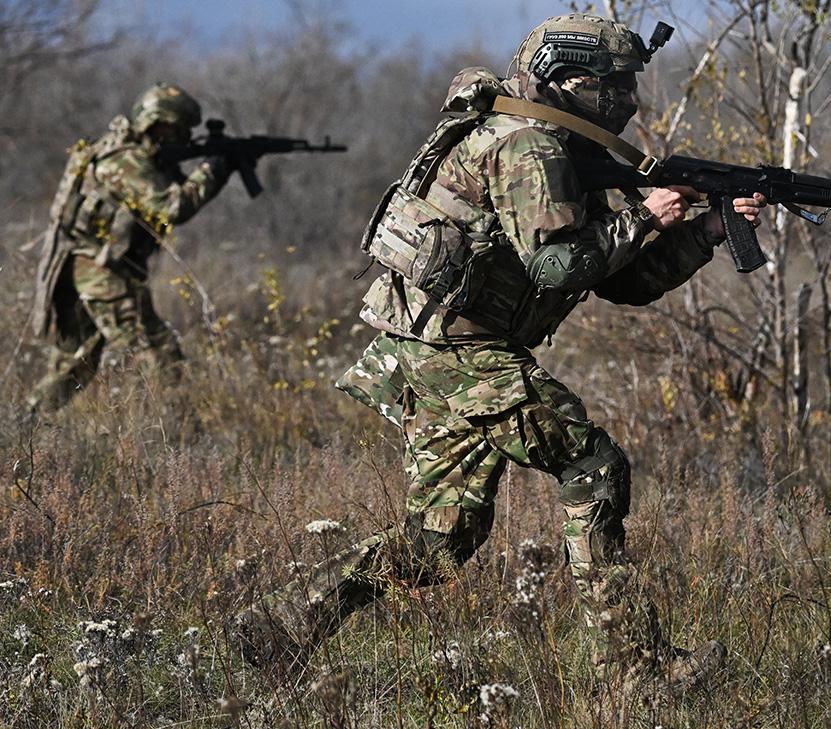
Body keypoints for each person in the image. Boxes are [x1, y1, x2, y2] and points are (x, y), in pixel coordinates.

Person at [236, 14, 767, 695]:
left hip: (435, 345)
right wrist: (645, 216)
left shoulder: (560, 145)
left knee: (438, 543)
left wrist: (708, 229)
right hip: (456, 347)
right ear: (571, 79)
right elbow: (555, 267)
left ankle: (279, 625)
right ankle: (636, 672)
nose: (629, 96)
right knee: (593, 464)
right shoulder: (529, 145)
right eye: (618, 82)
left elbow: (623, 281)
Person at [27, 83, 231, 413]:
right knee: (157, 352)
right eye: (179, 129)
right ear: (159, 124)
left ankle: (28, 425)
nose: (184, 137)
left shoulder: (135, 155)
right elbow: (173, 207)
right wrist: (213, 170)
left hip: (89, 266)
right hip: (100, 269)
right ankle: (179, 436)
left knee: (79, 359)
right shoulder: (125, 160)